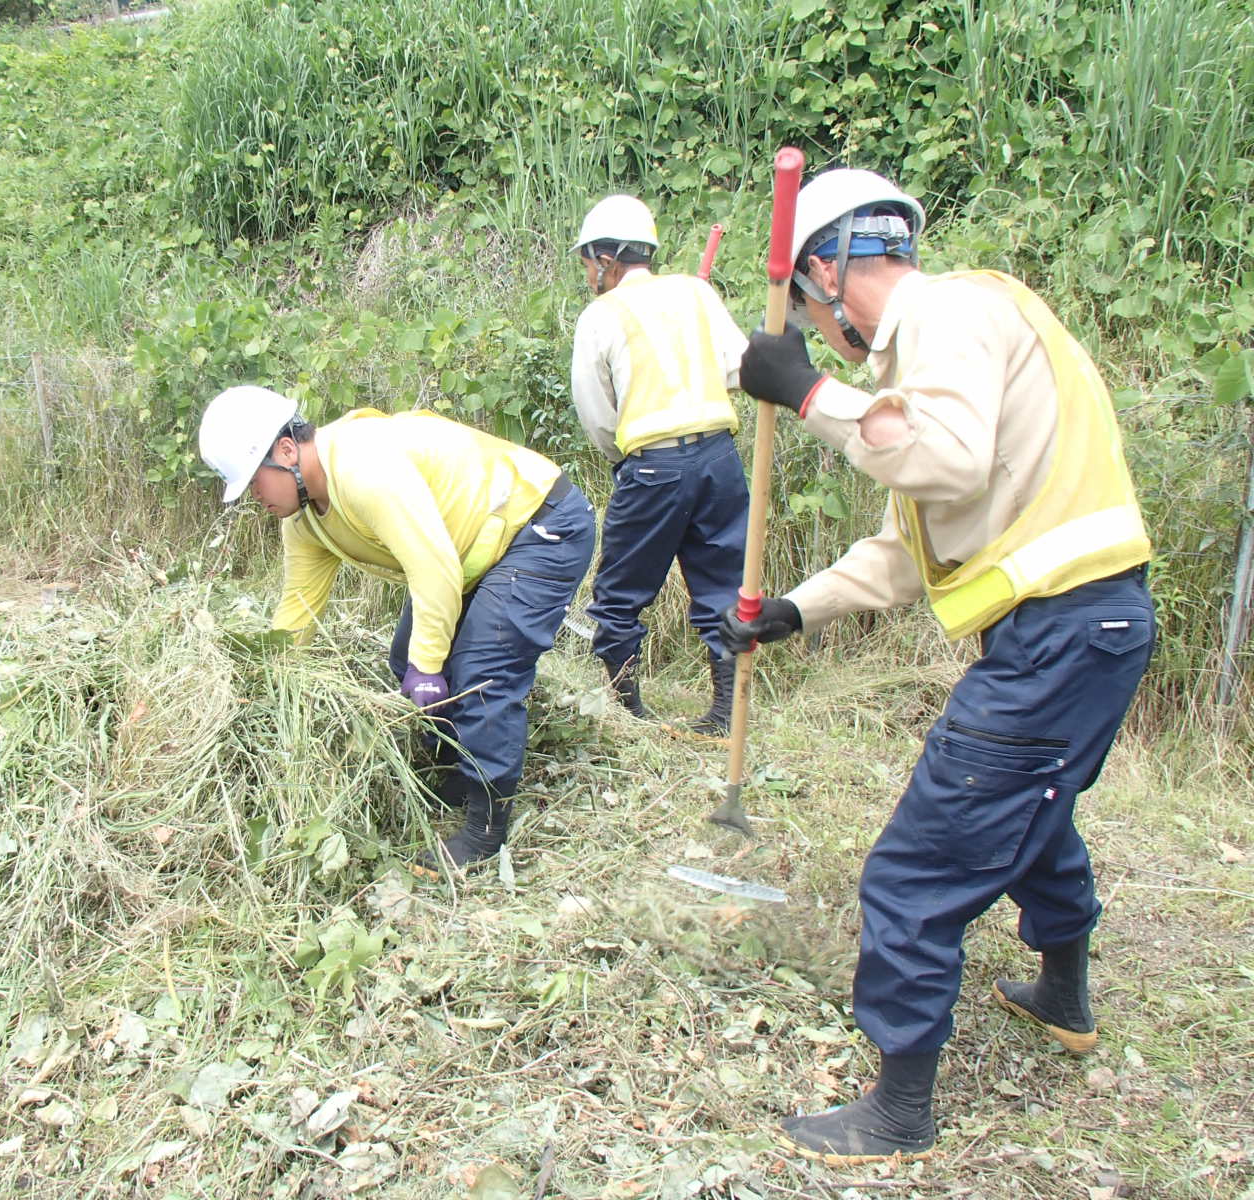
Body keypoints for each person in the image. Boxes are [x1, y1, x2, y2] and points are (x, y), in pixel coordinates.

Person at [721, 168, 1154, 1162]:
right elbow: (905, 546)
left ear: (825, 273)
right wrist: (793, 610)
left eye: (804, 308)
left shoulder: (949, 314)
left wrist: (808, 391)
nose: (817, 335)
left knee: (918, 866)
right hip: (1091, 629)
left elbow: (945, 460)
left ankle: (897, 1112)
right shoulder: (962, 332)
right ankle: (1062, 992)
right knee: (1032, 812)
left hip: (1061, 633)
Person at [197, 387, 594, 872]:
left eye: (254, 483)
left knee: (480, 673)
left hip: (536, 525)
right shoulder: (304, 521)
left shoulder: (363, 469)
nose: (254, 498)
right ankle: (454, 776)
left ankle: (486, 825)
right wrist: (270, 679)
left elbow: (433, 570)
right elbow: (297, 609)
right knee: (406, 659)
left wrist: (429, 668)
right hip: (469, 555)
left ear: (285, 452)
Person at [570, 194, 751, 732]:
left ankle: (630, 714)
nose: (587, 274)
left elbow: (596, 412)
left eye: (587, 262)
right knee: (723, 584)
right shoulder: (696, 292)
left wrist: (623, 457)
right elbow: (741, 368)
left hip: (652, 467)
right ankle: (724, 712)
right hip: (720, 458)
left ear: (606, 259)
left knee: (620, 593)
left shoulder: (601, 314)